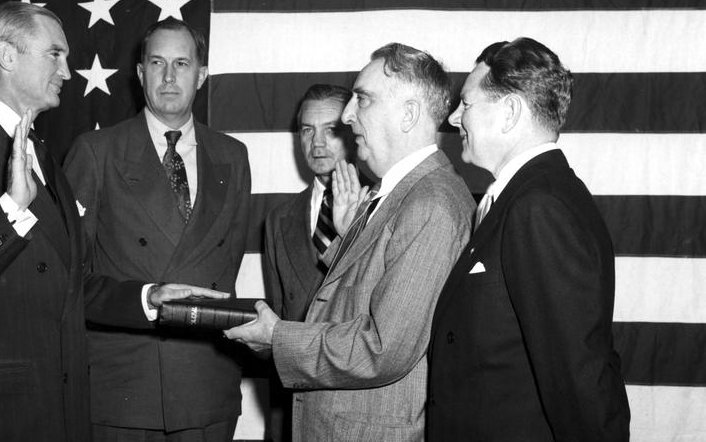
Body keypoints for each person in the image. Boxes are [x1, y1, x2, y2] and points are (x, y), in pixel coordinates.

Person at [0, 2, 225, 442]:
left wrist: (150, 297)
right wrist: (11, 211)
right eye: (55, 54)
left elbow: (72, 284)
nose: (68, 71)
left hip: (61, 410)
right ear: (7, 56)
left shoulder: (44, 156)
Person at [224, 43, 474, 442]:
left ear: (408, 114)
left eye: (363, 99)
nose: (347, 115)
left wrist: (277, 337)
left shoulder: (431, 203)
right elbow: (357, 299)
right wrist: (347, 234)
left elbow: (383, 348)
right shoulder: (396, 196)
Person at [427, 37, 630, 441]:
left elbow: (576, 377)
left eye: (466, 104)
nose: (452, 119)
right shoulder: (531, 196)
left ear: (510, 113)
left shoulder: (538, 208)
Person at [63, 17, 252, 441]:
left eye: (182, 64)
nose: (169, 77)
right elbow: (68, 277)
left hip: (206, 384)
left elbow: (226, 265)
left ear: (201, 75)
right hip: (125, 387)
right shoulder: (95, 153)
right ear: (140, 72)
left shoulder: (233, 157)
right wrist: (145, 300)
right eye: (157, 63)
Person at [264, 84, 355, 322]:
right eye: (307, 130)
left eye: (331, 130)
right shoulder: (278, 220)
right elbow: (278, 322)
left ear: (355, 132)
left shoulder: (382, 203)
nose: (317, 143)